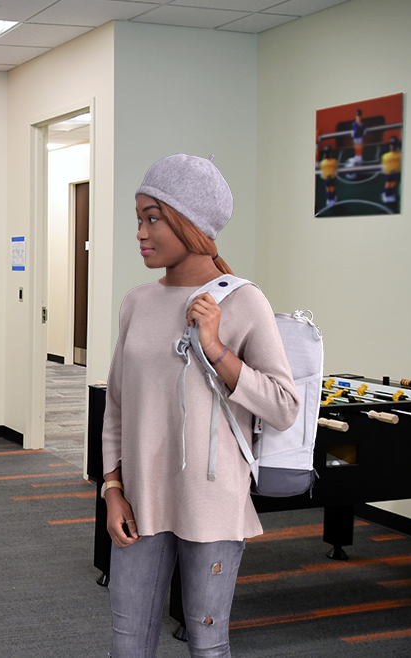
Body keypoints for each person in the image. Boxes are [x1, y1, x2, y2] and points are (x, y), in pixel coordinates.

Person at [101, 154, 299, 658]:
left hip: (213, 507)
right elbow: (117, 407)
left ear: (190, 224)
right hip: (139, 503)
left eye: (152, 218)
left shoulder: (243, 301)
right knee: (128, 646)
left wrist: (216, 350)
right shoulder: (136, 302)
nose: (140, 233)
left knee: (208, 646)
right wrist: (112, 488)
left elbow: (283, 406)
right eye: (138, 218)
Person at [381, 135, 401, 204]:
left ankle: (390, 194)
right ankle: (386, 195)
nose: (392, 146)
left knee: (392, 184)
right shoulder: (385, 156)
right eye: (391, 145)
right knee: (388, 184)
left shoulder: (399, 154)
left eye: (394, 145)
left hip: (395, 172)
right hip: (389, 173)